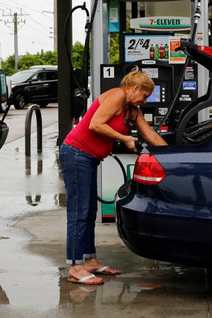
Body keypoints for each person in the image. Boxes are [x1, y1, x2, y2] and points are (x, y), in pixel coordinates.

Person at [59, 67, 168, 285]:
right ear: (135, 88)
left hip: (88, 159)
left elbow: (150, 135)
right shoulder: (117, 95)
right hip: (76, 153)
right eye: (144, 95)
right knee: (79, 212)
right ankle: (75, 267)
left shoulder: (132, 111)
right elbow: (95, 124)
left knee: (89, 211)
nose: (145, 101)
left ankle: (89, 260)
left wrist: (173, 155)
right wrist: (124, 139)